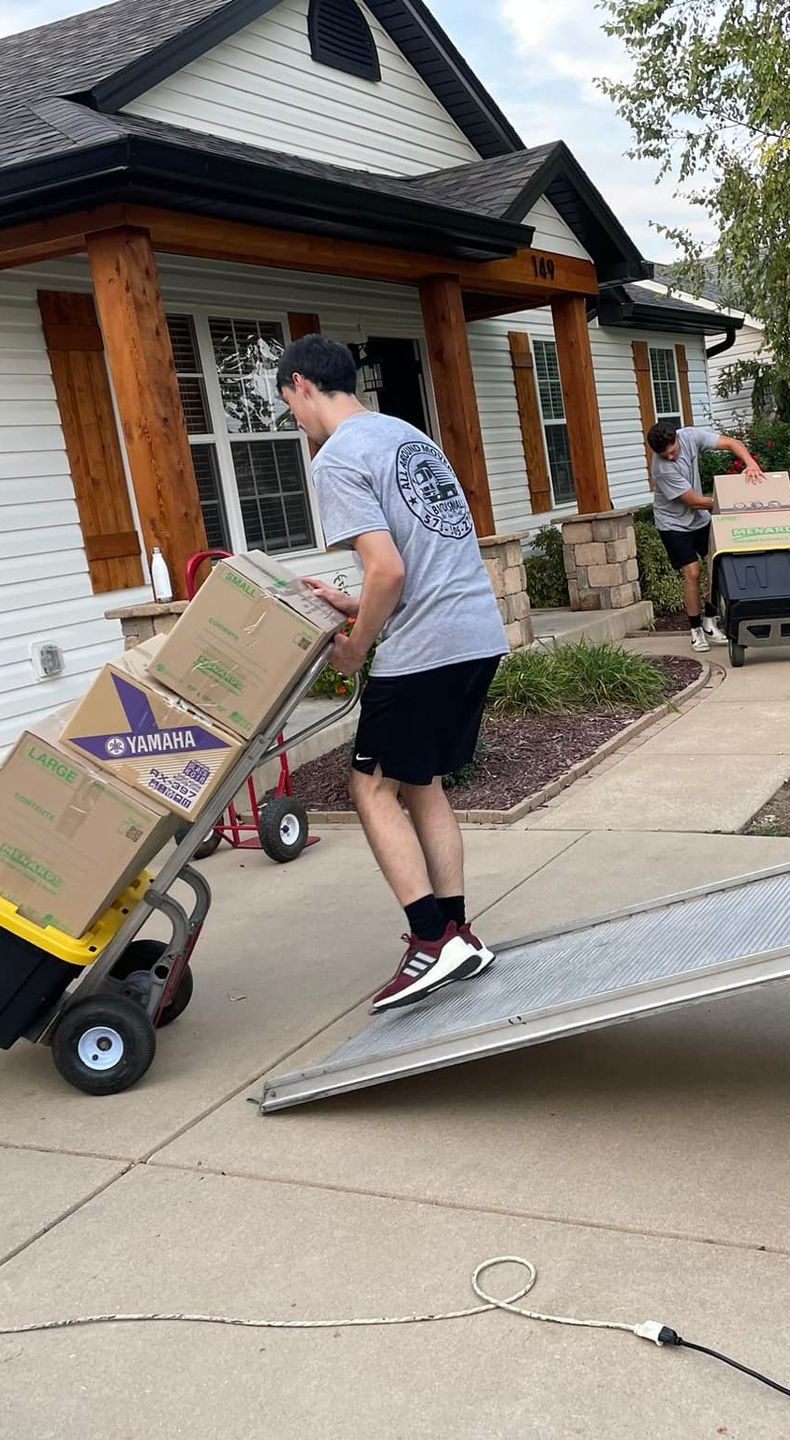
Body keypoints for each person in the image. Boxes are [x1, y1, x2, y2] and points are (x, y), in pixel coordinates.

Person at [276, 335, 511, 1013]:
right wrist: (354, 603)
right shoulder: (406, 436)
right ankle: (458, 932)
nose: (294, 418)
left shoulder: (337, 457)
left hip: (425, 648)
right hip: (473, 632)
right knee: (420, 783)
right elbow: (419, 558)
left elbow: (390, 568)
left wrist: (354, 643)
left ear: (301, 386)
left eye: (289, 403)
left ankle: (429, 942)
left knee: (370, 788)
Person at [647, 422, 766, 651]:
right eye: (665, 455)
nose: (671, 457)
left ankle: (710, 623)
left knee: (715, 566)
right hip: (673, 524)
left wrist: (750, 463)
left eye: (673, 451)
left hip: (700, 521)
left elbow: (732, 443)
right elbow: (694, 502)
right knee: (693, 572)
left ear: (677, 438)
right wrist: (735, 503)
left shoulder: (691, 436)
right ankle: (695, 630)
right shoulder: (662, 468)